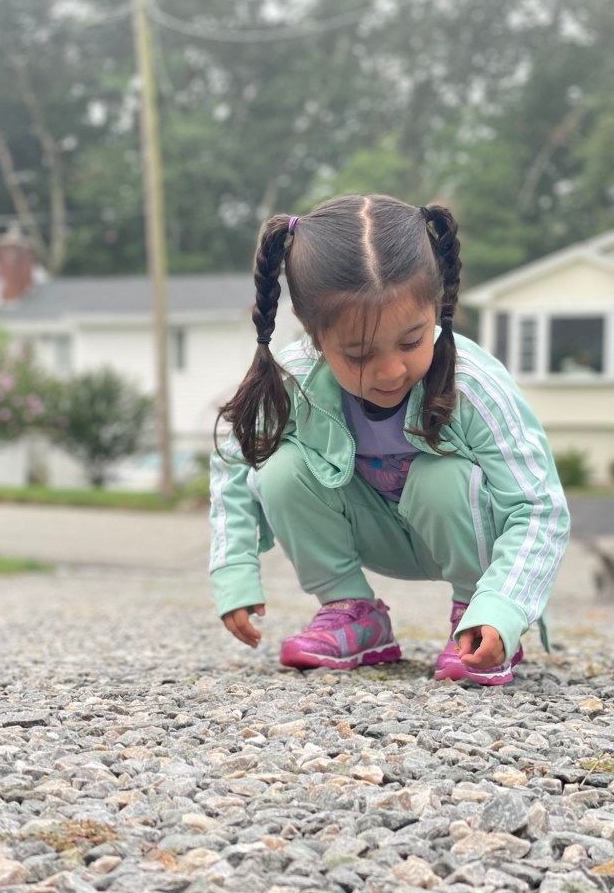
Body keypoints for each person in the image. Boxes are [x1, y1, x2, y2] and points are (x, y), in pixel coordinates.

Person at [209, 194, 570, 686]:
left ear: (436, 306)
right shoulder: (294, 382)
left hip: (464, 535)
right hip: (368, 532)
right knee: (279, 470)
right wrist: (233, 570)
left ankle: (474, 620)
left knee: (441, 474)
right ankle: (352, 612)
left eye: (411, 341)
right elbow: (234, 461)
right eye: (359, 355)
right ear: (313, 333)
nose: (391, 370)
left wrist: (503, 607)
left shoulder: (472, 385)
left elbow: (538, 506)